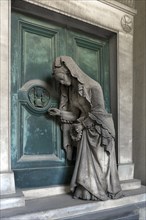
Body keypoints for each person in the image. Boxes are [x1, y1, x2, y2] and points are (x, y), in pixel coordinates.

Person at [48, 56, 123, 201]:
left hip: (101, 131)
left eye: (62, 79)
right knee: (86, 166)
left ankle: (102, 191)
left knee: (102, 165)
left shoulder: (94, 87)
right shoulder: (72, 91)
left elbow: (99, 113)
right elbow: (76, 114)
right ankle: (86, 192)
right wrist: (60, 113)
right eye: (59, 81)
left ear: (70, 72)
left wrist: (81, 125)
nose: (62, 83)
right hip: (86, 131)